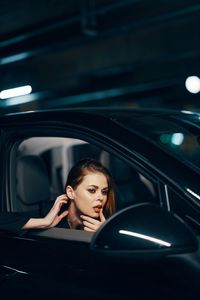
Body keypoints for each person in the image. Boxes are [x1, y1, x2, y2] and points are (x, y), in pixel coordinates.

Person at [0, 158, 115, 234]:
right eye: (92, 190)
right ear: (70, 192)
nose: (101, 198)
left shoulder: (107, 223)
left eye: (104, 192)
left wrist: (105, 236)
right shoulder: (48, 214)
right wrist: (44, 222)